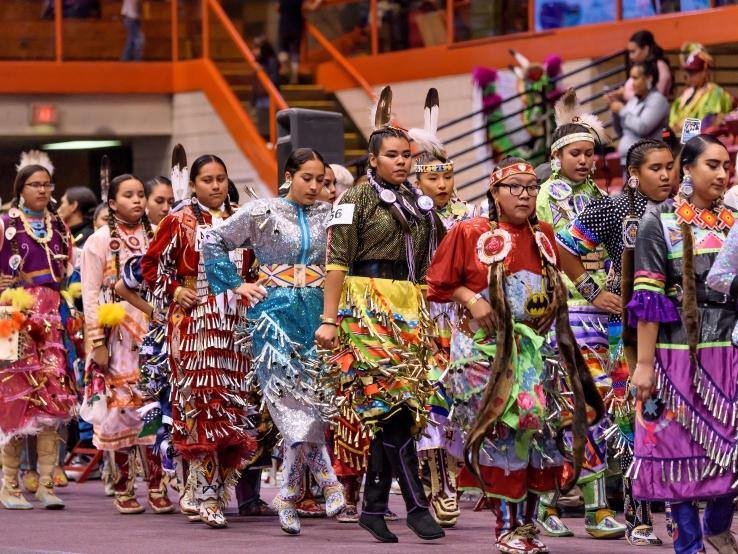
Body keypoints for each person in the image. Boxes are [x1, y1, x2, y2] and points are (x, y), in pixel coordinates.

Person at [427, 157, 603, 554]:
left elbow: (552, 285)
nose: (524, 194)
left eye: (530, 187)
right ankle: (507, 528)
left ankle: (525, 525)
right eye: (515, 187)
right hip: (484, 352)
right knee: (502, 435)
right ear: (494, 191)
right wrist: (472, 299)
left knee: (534, 434)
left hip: (533, 354)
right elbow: (437, 284)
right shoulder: (468, 231)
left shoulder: (542, 233)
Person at [315, 86, 445, 544]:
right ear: (372, 160)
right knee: (389, 407)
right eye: (392, 156)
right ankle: (415, 505)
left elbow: (437, 257)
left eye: (407, 155)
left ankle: (372, 507)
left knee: (404, 409)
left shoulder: (417, 201)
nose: (402, 162)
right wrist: (330, 320)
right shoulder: (355, 199)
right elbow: (335, 260)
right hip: (366, 305)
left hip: (409, 305)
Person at [203, 147, 345, 535]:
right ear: (289, 175)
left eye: (322, 181)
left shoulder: (332, 218)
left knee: (315, 401)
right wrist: (237, 285)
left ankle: (288, 494)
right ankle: (326, 481)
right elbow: (212, 241)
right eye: (308, 179)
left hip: (318, 316)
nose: (316, 187)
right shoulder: (262, 211)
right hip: (272, 318)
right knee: (287, 403)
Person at [556, 138, 675, 546]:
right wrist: (592, 290)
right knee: (630, 418)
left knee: (672, 416)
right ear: (634, 176)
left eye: (670, 167)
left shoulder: (680, 212)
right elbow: (563, 247)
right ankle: (638, 517)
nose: (665, 175)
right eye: (655, 168)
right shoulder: (613, 208)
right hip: (624, 327)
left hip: (675, 327)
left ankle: (677, 509)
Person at [629, 134, 738, 554]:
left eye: (726, 165)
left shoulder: (734, 221)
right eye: (712, 164)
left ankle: (717, 524)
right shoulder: (661, 222)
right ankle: (688, 546)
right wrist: (643, 364)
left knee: (731, 447)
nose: (722, 173)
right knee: (678, 452)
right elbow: (649, 299)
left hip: (729, 350)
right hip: (677, 356)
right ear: (685, 170)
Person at [141, 154, 254, 528]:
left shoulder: (242, 219)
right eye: (207, 180)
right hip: (194, 322)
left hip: (235, 325)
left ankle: (210, 488)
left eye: (221, 178)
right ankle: (205, 493)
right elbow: (150, 266)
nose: (216, 186)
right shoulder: (178, 221)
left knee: (231, 404)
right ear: (193, 185)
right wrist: (174, 291)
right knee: (201, 403)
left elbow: (253, 268)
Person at [535, 89, 626, 539]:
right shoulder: (545, 196)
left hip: (599, 317)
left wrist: (610, 290)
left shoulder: (601, 196)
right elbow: (550, 251)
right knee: (564, 406)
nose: (585, 160)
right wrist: (591, 289)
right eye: (576, 153)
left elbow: (614, 252)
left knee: (599, 405)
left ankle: (591, 505)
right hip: (558, 310)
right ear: (557, 155)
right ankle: (555, 503)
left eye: (591, 153)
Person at [81, 174, 172, 515]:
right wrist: (96, 342)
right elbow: (90, 295)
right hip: (116, 333)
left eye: (140, 195)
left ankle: (156, 485)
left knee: (151, 407)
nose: (136, 200)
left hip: (153, 329)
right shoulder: (99, 241)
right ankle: (122, 485)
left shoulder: (158, 234)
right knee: (121, 411)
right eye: (128, 195)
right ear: (112, 202)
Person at [409, 89, 474, 528]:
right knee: (429, 397)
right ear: (418, 181)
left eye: (447, 176)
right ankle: (437, 485)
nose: (443, 184)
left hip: (463, 318)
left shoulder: (471, 215)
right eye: (434, 178)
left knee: (461, 399)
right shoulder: (409, 213)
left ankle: (450, 475)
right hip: (421, 314)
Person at [0, 164, 77, 510]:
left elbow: (68, 275)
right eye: (35, 185)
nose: (43, 190)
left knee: (52, 403)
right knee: (14, 400)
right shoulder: (5, 225)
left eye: (47, 184)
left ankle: (46, 484)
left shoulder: (58, 225)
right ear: (20, 188)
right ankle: (9, 487)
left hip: (52, 322)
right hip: (12, 318)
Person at [610, 60, 670, 169]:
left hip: (647, 162)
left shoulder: (658, 100)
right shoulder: (634, 100)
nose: (632, 83)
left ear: (649, 78)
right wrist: (615, 111)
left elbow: (643, 128)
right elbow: (621, 131)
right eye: (631, 78)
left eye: (635, 78)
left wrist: (622, 110)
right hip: (628, 161)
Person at [669, 43, 734, 137]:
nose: (689, 77)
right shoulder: (686, 94)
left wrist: (684, 126)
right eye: (688, 73)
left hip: (702, 143)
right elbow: (673, 122)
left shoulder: (715, 93)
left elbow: (710, 122)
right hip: (679, 142)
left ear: (704, 72)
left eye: (694, 72)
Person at [622, 30, 672, 101]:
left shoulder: (660, 68)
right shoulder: (639, 67)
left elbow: (655, 99)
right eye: (629, 52)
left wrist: (623, 93)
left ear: (646, 49)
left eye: (633, 52)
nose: (630, 56)